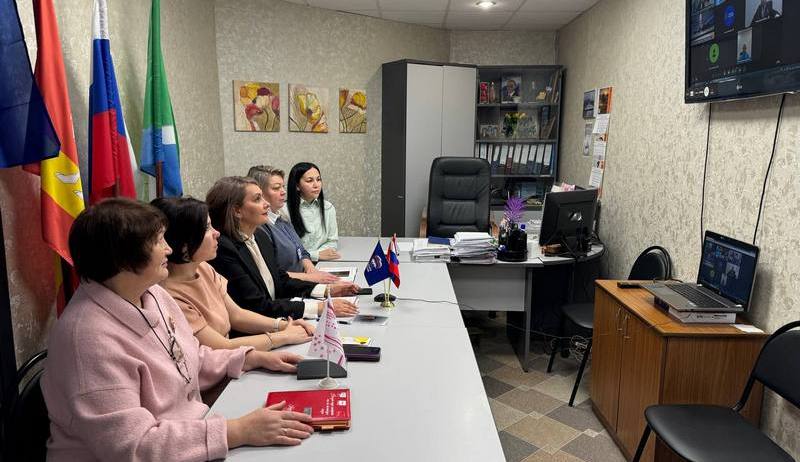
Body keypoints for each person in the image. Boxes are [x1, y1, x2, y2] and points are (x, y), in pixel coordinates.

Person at [41, 198, 315, 461]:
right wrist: (238, 431)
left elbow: (190, 357)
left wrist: (249, 358)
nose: (169, 250)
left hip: (188, 434)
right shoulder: (88, 339)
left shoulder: (152, 294)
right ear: (123, 258)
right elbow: (134, 447)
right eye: (158, 241)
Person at [153, 197, 315, 353]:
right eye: (207, 228)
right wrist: (282, 336)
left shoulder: (203, 268)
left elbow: (237, 315)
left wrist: (283, 325)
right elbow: (221, 346)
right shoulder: (169, 294)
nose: (216, 233)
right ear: (183, 242)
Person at [206, 176, 359, 320]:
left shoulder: (260, 236)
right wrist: (320, 307)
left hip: (276, 317)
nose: (266, 204)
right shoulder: (223, 249)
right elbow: (257, 306)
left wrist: (325, 290)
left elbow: (280, 280)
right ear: (237, 211)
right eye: (258, 199)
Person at [247, 165, 339, 284]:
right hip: (290, 286)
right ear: (259, 193)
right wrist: (311, 278)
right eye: (276, 188)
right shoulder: (259, 228)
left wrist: (311, 270)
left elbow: (301, 250)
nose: (283, 192)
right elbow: (273, 274)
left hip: (302, 279)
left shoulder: (281, 216)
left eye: (283, 187)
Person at [286, 162, 340, 261]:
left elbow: (332, 241)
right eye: (309, 180)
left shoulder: (328, 208)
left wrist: (320, 255)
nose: (316, 185)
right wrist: (315, 255)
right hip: (296, 265)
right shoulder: (283, 211)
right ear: (297, 185)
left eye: (318, 179)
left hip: (323, 262)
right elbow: (285, 251)